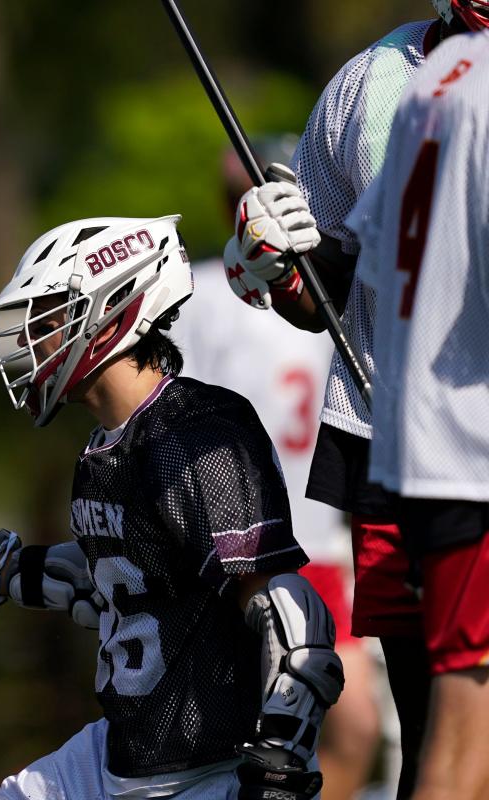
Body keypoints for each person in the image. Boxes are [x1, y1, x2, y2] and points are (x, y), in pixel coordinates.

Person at [0, 216, 344, 800]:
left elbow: (282, 607)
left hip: (204, 769)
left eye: (53, 316)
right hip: (117, 754)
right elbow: (129, 583)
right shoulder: (104, 446)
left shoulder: (195, 431)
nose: (34, 339)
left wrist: (282, 758)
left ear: (113, 310)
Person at [219, 4, 487, 793]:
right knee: (436, 719)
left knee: (456, 734)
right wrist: (283, 263)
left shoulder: (445, 88)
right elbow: (330, 290)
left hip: (450, 441)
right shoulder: (376, 84)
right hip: (390, 442)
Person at [176, 135, 382, 800]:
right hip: (242, 546)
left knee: (352, 730)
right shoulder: (201, 295)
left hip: (321, 542)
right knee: (264, 728)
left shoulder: (334, 293)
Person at [345, 27, 489, 800]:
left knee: (457, 737)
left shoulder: (436, 76)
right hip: (475, 454)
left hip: (425, 454)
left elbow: (364, 254)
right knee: (463, 751)